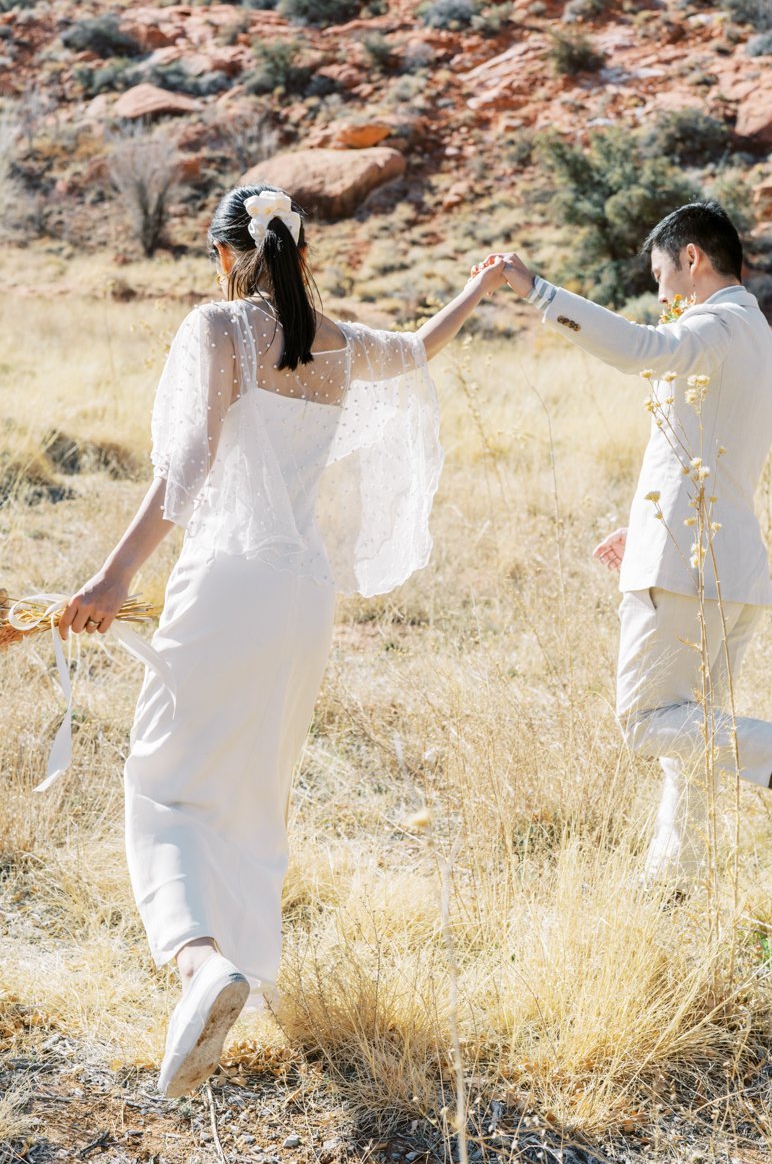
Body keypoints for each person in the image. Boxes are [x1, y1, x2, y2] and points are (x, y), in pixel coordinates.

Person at [56, 184, 505, 1099]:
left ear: (228, 256)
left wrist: (113, 578)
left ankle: (198, 964)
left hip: (227, 580)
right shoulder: (339, 343)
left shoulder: (218, 332)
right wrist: (478, 286)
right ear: (303, 255)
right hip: (306, 597)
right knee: (254, 785)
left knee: (162, 782)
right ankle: (241, 972)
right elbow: (418, 349)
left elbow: (183, 471)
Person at [472, 201, 772, 890]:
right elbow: (707, 449)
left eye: (660, 276)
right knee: (689, 738)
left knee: (646, 721)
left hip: (685, 569)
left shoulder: (717, 321)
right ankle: (671, 882)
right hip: (729, 568)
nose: (661, 294)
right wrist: (640, 524)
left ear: (692, 259)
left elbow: (646, 348)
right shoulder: (756, 336)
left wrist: (539, 291)